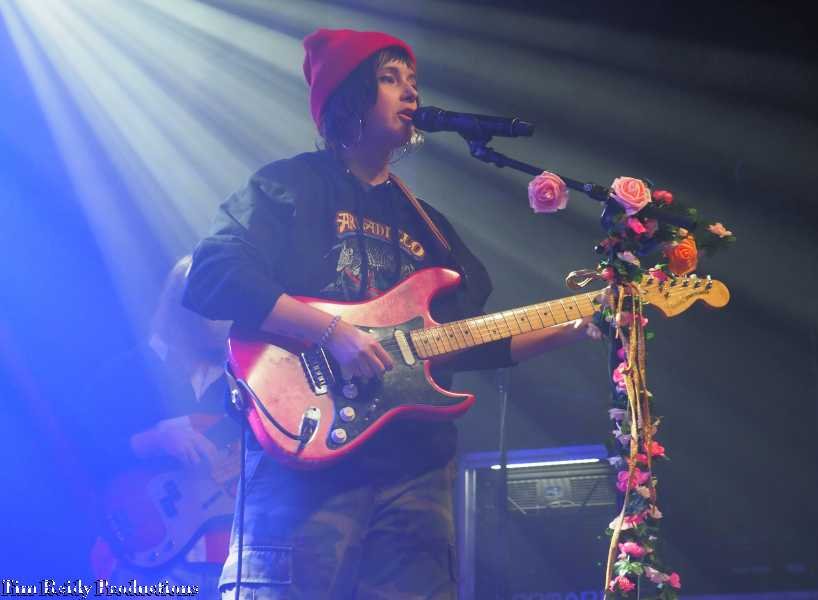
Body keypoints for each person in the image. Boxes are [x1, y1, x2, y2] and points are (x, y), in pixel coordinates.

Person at [182, 28, 601, 599]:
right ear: (349, 95)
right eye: (389, 78)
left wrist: (572, 327)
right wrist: (332, 331)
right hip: (306, 452)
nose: (410, 92)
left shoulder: (427, 225)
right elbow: (214, 273)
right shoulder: (289, 186)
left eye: (413, 81)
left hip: (415, 470)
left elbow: (468, 339)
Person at [84, 256, 233, 599]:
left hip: (227, 558)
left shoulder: (236, 379)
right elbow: (90, 453)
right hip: (148, 563)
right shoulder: (122, 374)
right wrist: (156, 439)